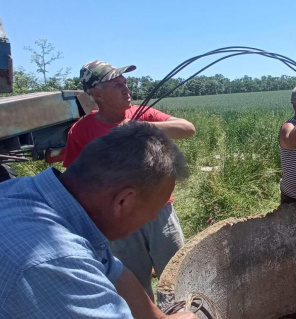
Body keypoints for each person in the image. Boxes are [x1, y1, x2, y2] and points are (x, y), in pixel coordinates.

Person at [0, 121, 198, 319]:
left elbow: (114, 271)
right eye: (155, 209)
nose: (155, 217)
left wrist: (159, 318)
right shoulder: (56, 264)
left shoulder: (23, 192)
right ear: (124, 201)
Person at [63, 60, 196, 300]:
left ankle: (179, 310)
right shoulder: (81, 131)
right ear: (96, 94)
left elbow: (187, 128)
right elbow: (75, 180)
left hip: (160, 212)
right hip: (119, 219)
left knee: (177, 270)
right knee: (132, 281)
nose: (126, 89)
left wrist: (140, 126)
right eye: (117, 85)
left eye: (125, 83)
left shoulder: (141, 113)